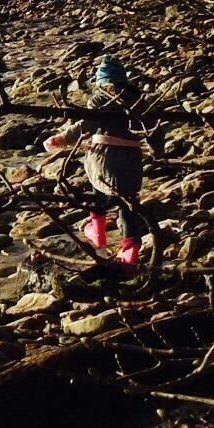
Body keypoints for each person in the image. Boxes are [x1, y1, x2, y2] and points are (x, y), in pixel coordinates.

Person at [44, 52, 152, 267]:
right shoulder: (138, 101)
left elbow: (87, 124)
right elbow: (153, 129)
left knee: (97, 192)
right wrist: (158, 151)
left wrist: (62, 138)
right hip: (131, 159)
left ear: (101, 82)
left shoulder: (100, 99)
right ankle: (130, 248)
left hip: (104, 157)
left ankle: (98, 232)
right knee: (127, 203)